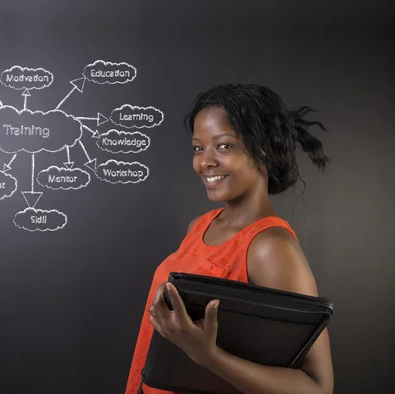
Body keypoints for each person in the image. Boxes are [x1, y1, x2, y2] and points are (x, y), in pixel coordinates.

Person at [124, 84, 334, 394]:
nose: (205, 162)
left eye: (223, 146)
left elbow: (317, 388)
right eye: (198, 148)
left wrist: (209, 357)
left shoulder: (269, 248)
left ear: (263, 149)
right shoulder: (199, 226)